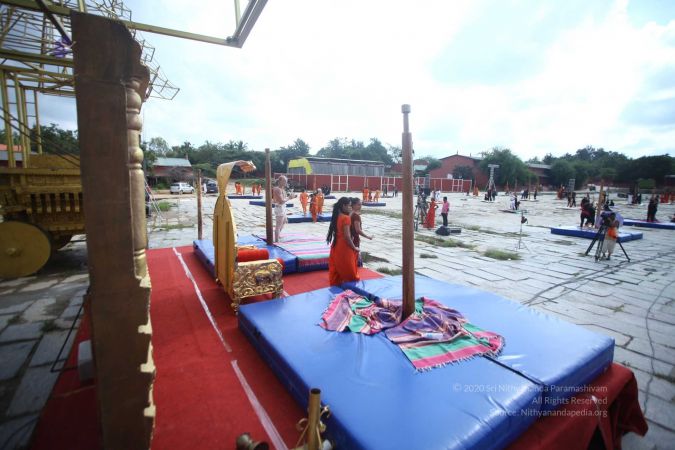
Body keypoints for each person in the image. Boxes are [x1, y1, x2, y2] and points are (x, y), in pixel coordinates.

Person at [327, 197, 360, 286]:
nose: (350, 207)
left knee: (337, 267)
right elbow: (347, 236)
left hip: (336, 245)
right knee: (350, 270)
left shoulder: (337, 216)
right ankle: (352, 289)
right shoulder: (346, 218)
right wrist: (354, 248)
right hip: (345, 247)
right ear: (343, 206)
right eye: (349, 206)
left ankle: (336, 287)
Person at [273, 176, 295, 242]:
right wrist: (289, 198)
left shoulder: (282, 189)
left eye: (286, 181)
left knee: (285, 220)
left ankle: (278, 235)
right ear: (280, 181)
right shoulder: (277, 189)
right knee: (278, 225)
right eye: (284, 181)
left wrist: (290, 196)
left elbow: (283, 200)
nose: (286, 183)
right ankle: (276, 240)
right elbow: (281, 201)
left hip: (282, 207)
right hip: (279, 207)